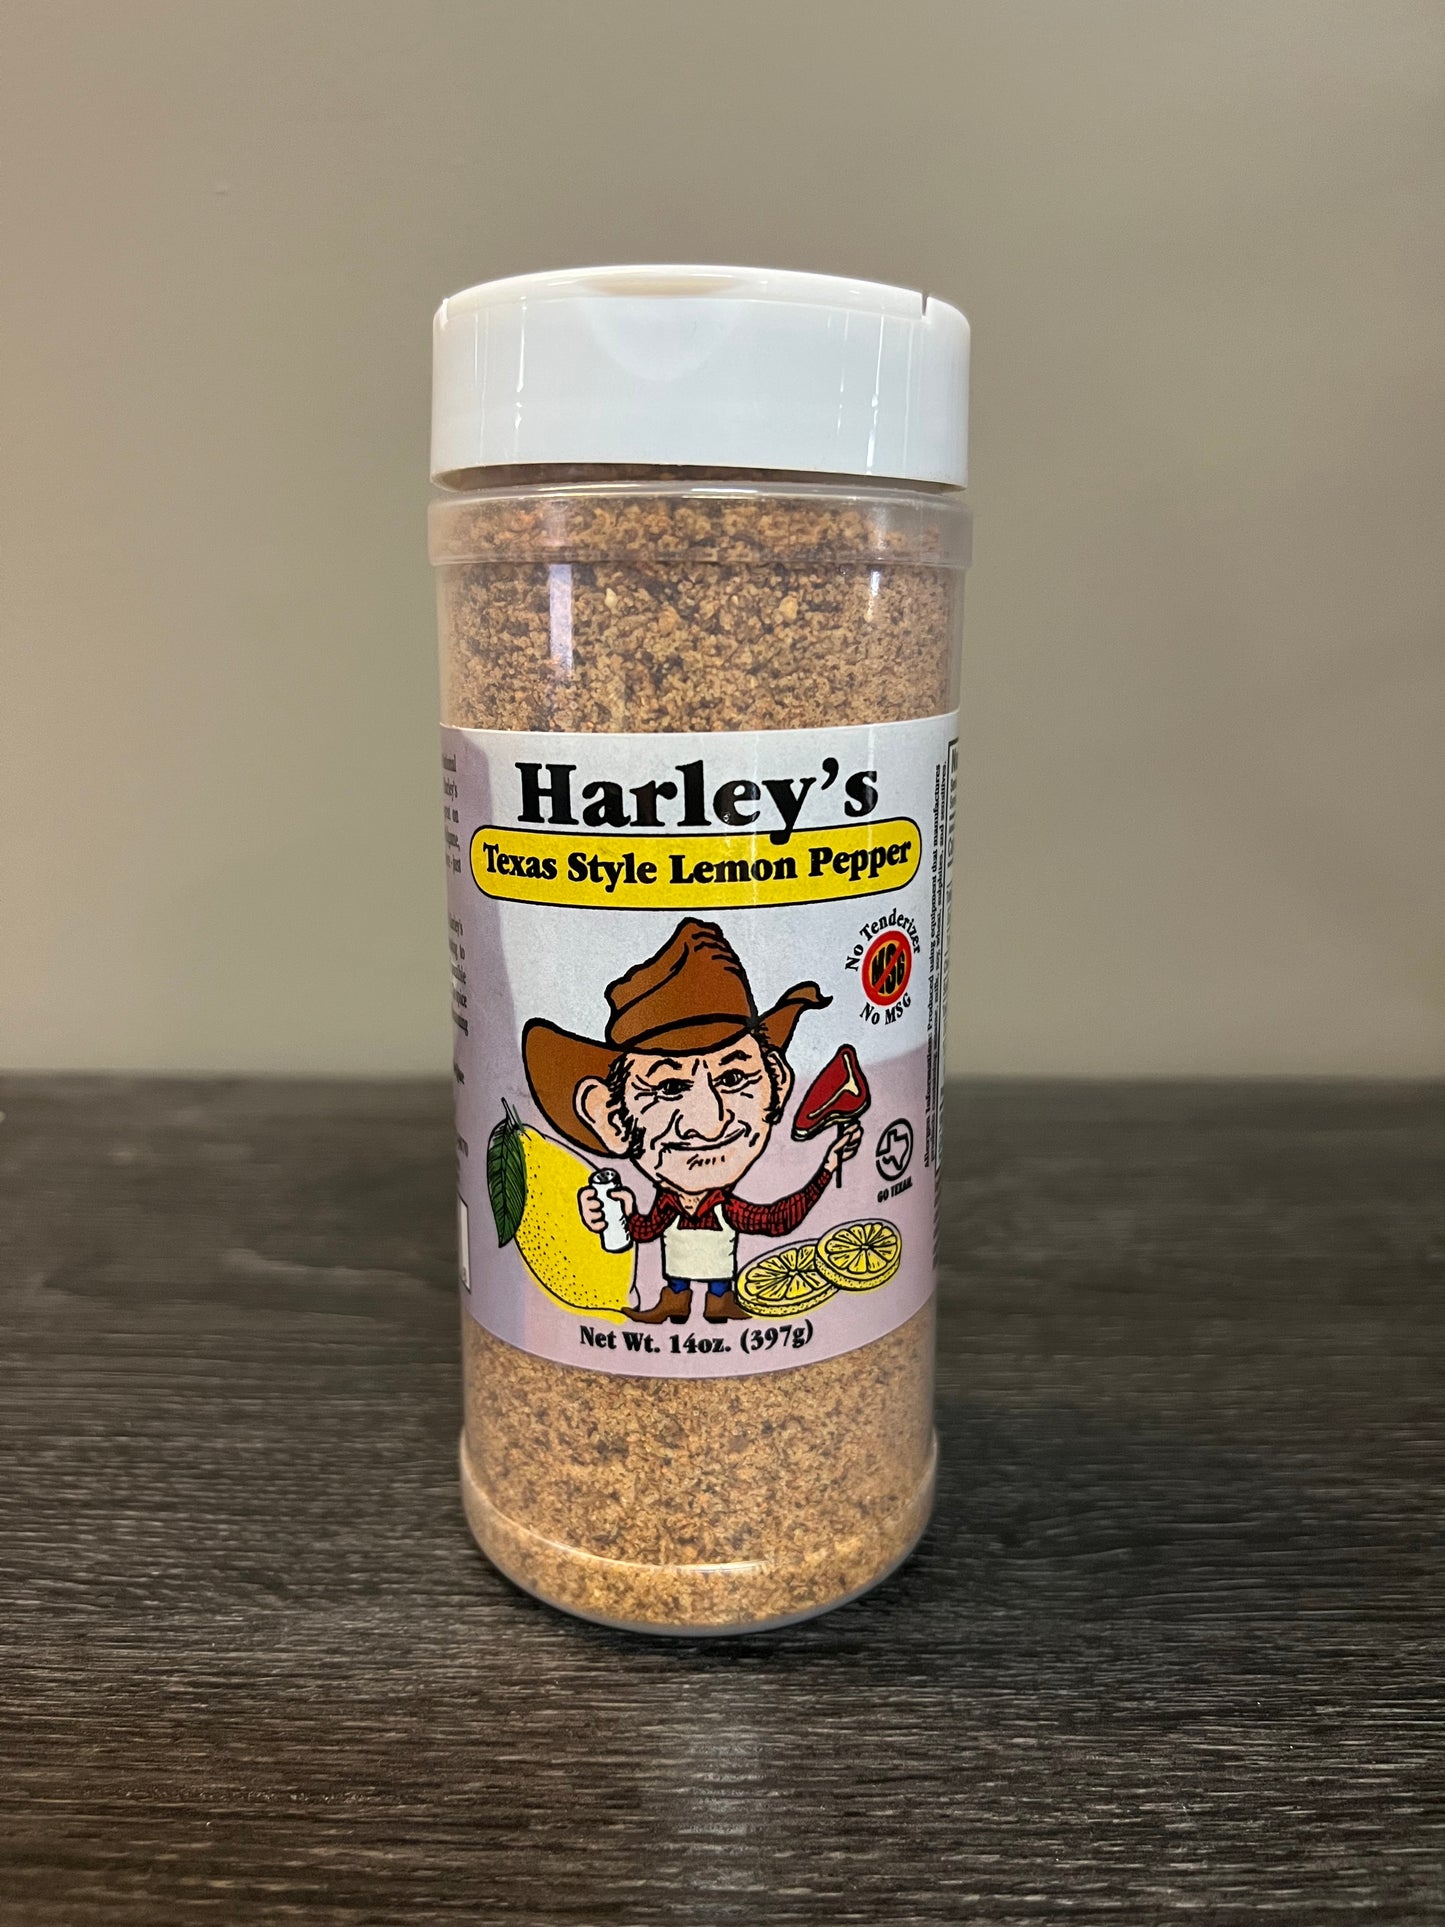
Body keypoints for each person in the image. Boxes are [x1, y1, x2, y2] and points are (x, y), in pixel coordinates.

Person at [522, 918, 862, 1324]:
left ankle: (718, 1300)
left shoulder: (720, 1205)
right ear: (610, 1118)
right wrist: (615, 1214)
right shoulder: (670, 1204)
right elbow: (644, 1230)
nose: (709, 1123)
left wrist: (827, 1167)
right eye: (668, 1087)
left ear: (777, 1082)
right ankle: (676, 1298)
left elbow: (777, 1219)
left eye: (733, 1078)